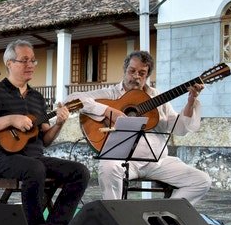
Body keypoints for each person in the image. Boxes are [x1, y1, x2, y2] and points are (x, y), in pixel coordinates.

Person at [0, 39, 90, 225]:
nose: (30, 64)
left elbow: (47, 139)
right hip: (1, 157)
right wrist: (11, 119)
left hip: (35, 157)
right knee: (34, 168)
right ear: (9, 63)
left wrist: (59, 123)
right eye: (24, 60)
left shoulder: (38, 98)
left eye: (33, 60)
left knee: (80, 172)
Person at [67, 50, 211, 204]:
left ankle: (164, 215)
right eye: (132, 71)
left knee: (201, 180)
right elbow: (71, 99)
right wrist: (110, 112)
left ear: (147, 76)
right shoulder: (110, 94)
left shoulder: (157, 97)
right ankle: (115, 217)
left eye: (142, 73)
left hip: (158, 162)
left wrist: (190, 102)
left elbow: (180, 129)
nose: (136, 76)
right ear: (125, 70)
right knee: (108, 167)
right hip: (124, 161)